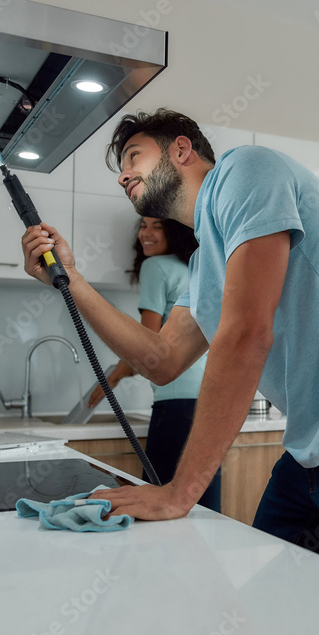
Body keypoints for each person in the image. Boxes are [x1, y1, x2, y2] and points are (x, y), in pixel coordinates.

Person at [21, 109, 319, 592]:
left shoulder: (246, 170)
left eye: (134, 155)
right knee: (277, 613)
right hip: (312, 446)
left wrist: (179, 493)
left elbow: (246, 336)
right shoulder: (206, 260)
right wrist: (70, 281)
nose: (123, 173)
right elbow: (161, 360)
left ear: (182, 149)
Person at [106, 216, 220, 511]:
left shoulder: (154, 267)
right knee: (202, 506)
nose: (147, 233)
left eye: (157, 226)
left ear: (174, 232)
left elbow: (146, 345)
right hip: (207, 400)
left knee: (157, 500)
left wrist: (110, 379)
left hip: (176, 401)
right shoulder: (194, 269)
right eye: (143, 226)